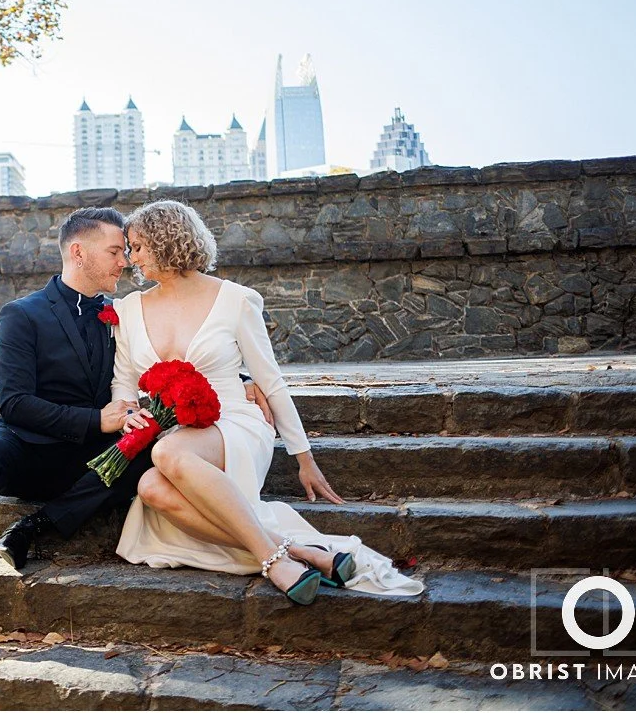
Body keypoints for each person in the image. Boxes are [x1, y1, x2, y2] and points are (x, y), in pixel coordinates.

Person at [0, 207, 276, 652]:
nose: (125, 262)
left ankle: (36, 526)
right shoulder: (22, 315)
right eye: (116, 251)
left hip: (93, 460)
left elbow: (174, 358)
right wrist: (96, 419)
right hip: (27, 445)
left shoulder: (125, 314)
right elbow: (14, 404)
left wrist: (242, 383)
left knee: (155, 451)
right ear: (79, 253)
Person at [111, 199, 423, 602]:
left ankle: (275, 564)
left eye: (137, 246)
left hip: (236, 420)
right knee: (152, 488)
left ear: (166, 241)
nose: (131, 258)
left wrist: (303, 456)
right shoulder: (130, 308)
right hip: (176, 428)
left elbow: (269, 380)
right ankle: (296, 551)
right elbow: (124, 380)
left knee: (167, 454)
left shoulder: (235, 300)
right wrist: (129, 411)